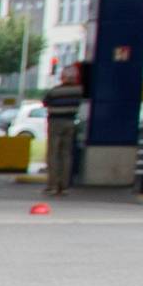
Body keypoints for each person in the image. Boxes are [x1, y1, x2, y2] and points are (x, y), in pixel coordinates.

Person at [42, 62, 86, 195]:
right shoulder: (79, 91)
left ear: (63, 77)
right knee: (66, 154)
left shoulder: (55, 91)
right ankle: (64, 185)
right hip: (70, 122)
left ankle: (53, 185)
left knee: (53, 153)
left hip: (55, 123)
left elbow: (45, 102)